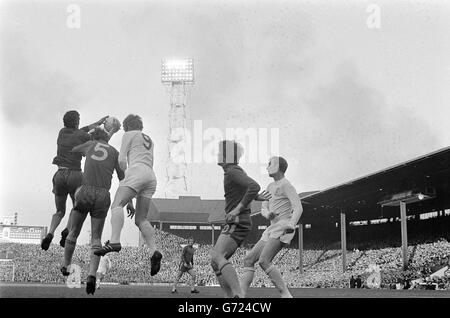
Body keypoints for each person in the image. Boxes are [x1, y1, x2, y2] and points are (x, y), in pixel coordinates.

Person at [94, 114, 162, 276]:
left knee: (117, 205)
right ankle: (154, 252)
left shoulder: (128, 134)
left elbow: (122, 161)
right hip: (150, 177)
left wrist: (125, 178)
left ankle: (115, 241)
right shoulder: (148, 138)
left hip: (136, 172)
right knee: (141, 219)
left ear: (127, 126)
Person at [60, 127, 123, 295]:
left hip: (86, 190)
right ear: (107, 138)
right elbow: (122, 176)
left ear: (94, 137)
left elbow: (73, 149)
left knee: (74, 231)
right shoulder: (115, 152)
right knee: (96, 238)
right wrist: (128, 201)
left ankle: (66, 266)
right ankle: (91, 275)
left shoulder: (90, 144)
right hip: (103, 195)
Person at [41, 111, 107, 251]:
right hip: (75, 175)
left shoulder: (62, 132)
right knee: (76, 207)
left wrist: (96, 122)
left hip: (59, 174)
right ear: (77, 122)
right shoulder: (82, 136)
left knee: (59, 211)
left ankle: (50, 233)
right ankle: (66, 231)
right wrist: (105, 128)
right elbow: (95, 139)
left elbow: (80, 131)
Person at [240, 156, 302, 298]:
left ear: (278, 166)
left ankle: (286, 294)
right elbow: (264, 208)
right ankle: (240, 294)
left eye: (270, 164)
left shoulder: (286, 185)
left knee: (264, 260)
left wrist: (291, 224)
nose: (267, 167)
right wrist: (268, 214)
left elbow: (298, 208)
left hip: (283, 226)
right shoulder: (269, 187)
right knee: (248, 259)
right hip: (271, 228)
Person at [210, 140, 262, 298]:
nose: (217, 155)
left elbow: (254, 186)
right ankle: (230, 296)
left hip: (238, 220)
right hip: (236, 221)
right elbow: (249, 190)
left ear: (227, 156)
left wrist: (238, 209)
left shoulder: (233, 171)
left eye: (220, 152)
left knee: (218, 256)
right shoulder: (233, 172)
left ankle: (238, 294)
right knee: (215, 260)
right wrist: (256, 197)